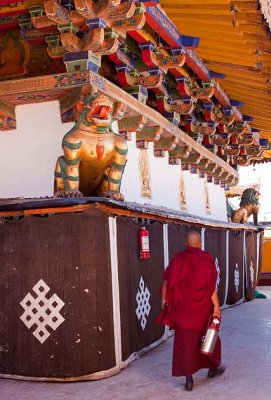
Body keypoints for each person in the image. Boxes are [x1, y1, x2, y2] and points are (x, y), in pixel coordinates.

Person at [157, 230, 225, 391]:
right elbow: (210, 288)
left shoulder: (178, 259)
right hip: (202, 311)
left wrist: (164, 301)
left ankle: (189, 380)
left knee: (185, 345)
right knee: (209, 338)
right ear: (199, 244)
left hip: (182, 312)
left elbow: (166, 281)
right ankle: (212, 367)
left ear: (186, 244)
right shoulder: (205, 258)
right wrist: (216, 306)